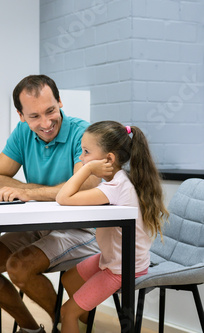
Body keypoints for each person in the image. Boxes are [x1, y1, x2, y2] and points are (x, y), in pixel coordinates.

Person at [0, 75, 101, 333]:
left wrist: (29, 193)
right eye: (34, 116)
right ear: (21, 115)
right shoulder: (22, 133)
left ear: (60, 101)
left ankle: (65, 324)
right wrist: (38, 192)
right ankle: (32, 330)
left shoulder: (84, 133)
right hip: (41, 224)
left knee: (19, 267)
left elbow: (84, 185)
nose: (46, 123)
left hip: (81, 229)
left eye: (50, 111)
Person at [56, 121, 168, 333]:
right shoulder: (118, 180)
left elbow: (63, 197)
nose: (81, 157)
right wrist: (89, 164)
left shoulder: (116, 186)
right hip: (114, 258)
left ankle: (73, 320)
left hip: (123, 267)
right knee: (69, 279)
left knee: (67, 312)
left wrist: (88, 169)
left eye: (86, 152)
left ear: (109, 159)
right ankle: (84, 326)